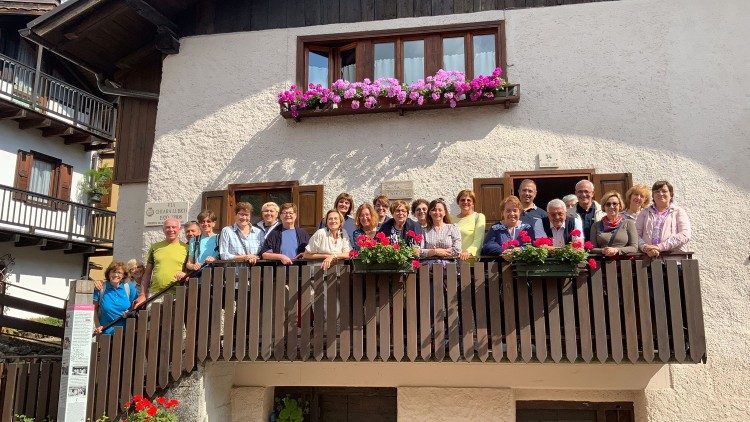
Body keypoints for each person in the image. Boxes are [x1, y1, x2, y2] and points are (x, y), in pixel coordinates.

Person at [135, 217, 188, 307]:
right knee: (151, 320)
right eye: (168, 227)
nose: (171, 230)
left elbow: (189, 271)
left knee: (174, 321)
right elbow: (147, 274)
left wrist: (185, 274)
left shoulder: (186, 249)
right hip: (156, 294)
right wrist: (142, 294)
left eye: (174, 227)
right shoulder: (155, 247)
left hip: (176, 295)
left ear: (179, 229)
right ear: (163, 230)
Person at [636, 181, 692, 257]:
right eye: (657, 191)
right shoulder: (644, 213)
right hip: (648, 260)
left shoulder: (678, 212)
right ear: (653, 195)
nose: (660, 194)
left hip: (673, 260)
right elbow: (636, 235)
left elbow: (685, 235)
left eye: (664, 191)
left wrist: (660, 247)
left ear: (671, 195)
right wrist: (645, 247)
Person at [94, 261, 137, 334]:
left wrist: (129, 313)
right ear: (108, 273)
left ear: (123, 275)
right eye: (113, 272)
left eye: (119, 273)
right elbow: (93, 310)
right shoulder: (101, 288)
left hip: (126, 334)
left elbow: (136, 309)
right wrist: (97, 326)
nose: (116, 275)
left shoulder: (129, 288)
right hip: (105, 334)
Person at [590, 191, 638, 256]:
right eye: (608, 204)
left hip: (624, 263)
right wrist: (603, 251)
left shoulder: (628, 223)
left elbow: (634, 247)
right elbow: (592, 248)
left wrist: (617, 250)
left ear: (620, 206)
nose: (611, 207)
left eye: (615, 204)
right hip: (603, 263)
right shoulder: (596, 225)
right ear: (604, 207)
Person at [453, 190, 486, 261]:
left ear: (473, 203)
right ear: (458, 202)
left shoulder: (478, 217)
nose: (465, 202)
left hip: (470, 260)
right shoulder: (452, 219)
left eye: (469, 200)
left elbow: (478, 240)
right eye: (462, 200)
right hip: (453, 261)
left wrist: (468, 251)